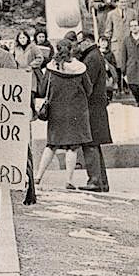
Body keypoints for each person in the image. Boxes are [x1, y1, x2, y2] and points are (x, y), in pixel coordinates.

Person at [34, 39, 92, 189]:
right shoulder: (80, 68)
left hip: (56, 111)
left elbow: (42, 90)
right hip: (75, 111)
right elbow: (89, 89)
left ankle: (38, 176)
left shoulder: (51, 68)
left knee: (51, 144)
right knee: (72, 147)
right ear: (72, 49)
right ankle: (69, 180)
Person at [77, 34, 113, 192]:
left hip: (90, 108)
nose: (78, 46)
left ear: (86, 42)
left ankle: (95, 180)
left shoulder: (90, 58)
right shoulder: (96, 55)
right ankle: (101, 181)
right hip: (97, 107)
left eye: (80, 43)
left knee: (89, 143)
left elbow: (87, 84)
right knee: (95, 144)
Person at [105, 0, 136, 94]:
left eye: (125, 2)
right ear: (117, 3)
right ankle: (118, 86)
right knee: (117, 64)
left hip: (128, 42)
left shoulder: (132, 13)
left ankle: (127, 86)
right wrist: (106, 41)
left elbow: (135, 27)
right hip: (116, 43)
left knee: (127, 63)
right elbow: (108, 30)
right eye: (121, 2)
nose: (123, 4)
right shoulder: (111, 14)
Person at [13, 30, 43, 117]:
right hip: (20, 73)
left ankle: (34, 112)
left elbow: (40, 57)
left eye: (24, 38)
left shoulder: (32, 47)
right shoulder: (16, 48)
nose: (22, 40)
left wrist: (32, 65)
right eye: (20, 38)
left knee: (30, 94)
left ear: (27, 38)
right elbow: (14, 60)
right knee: (21, 94)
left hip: (30, 73)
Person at [98, 36, 118, 102]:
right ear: (98, 43)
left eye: (105, 41)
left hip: (109, 74)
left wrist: (109, 67)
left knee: (109, 89)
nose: (103, 43)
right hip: (100, 74)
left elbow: (114, 64)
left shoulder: (110, 53)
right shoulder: (96, 53)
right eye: (102, 41)